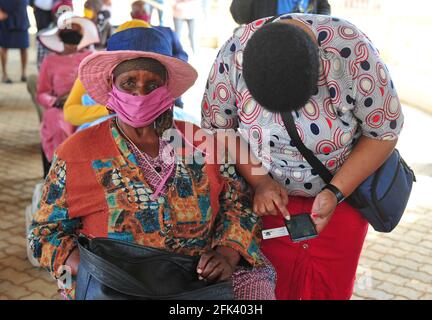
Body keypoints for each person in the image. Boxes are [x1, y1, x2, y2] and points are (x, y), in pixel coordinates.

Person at [29, 26, 276, 300]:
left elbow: (238, 202)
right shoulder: (77, 152)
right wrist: (95, 271)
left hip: (196, 284)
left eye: (152, 85)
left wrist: (226, 254)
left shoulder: (200, 143)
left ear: (166, 90)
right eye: (129, 83)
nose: (140, 94)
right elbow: (44, 234)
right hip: (113, 286)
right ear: (112, 86)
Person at [202, 13, 403, 299]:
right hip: (265, 203)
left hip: (342, 199)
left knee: (329, 288)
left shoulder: (351, 53)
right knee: (270, 286)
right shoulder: (234, 53)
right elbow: (219, 127)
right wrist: (259, 181)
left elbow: (384, 133)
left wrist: (335, 192)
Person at [36, 12, 100, 177]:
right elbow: (42, 93)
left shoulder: (90, 57)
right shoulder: (50, 61)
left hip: (87, 104)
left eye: (75, 38)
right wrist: (55, 101)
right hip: (60, 107)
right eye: (68, 37)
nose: (71, 44)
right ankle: (63, 170)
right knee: (58, 124)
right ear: (60, 38)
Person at [230, 0, 331, 25]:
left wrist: (318, 24)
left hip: (304, 48)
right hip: (266, 48)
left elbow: (324, 6)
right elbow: (239, 16)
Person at [0, 0, 30, 84]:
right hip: (6, 21)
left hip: (21, 19)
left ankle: (23, 73)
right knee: (4, 47)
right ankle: (4, 74)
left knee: (24, 47)